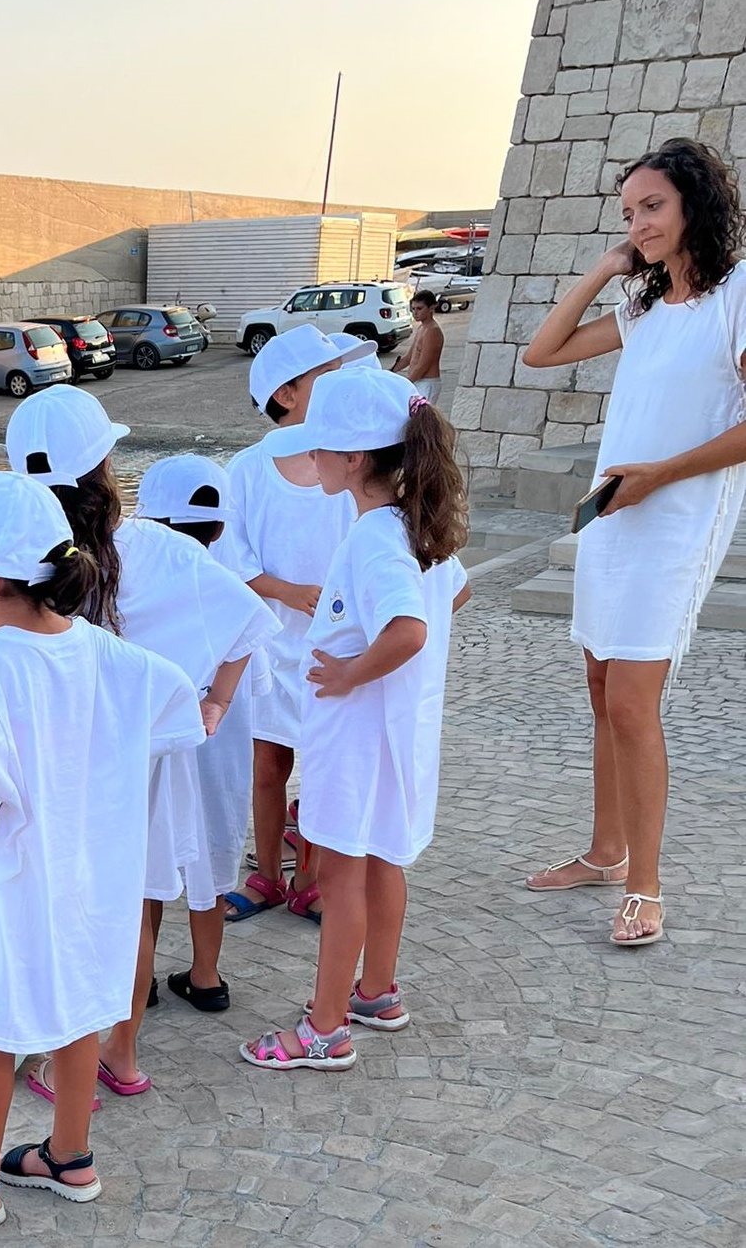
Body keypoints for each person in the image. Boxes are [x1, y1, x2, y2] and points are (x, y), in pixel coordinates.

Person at [0, 386, 274, 1093]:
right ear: (106, 464)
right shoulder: (161, 551)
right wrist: (214, 706)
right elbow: (247, 621)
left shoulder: (3, 563)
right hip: (137, 765)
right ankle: (120, 1054)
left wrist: (4, 745)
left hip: (42, 776)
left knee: (53, 905)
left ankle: (55, 1047)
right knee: (132, 908)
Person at [0, 470, 203, 1227]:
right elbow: (179, 700)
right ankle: (70, 1157)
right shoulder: (102, 650)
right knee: (79, 1006)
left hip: (12, 875)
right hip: (92, 872)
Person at [521, 137, 746, 946]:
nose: (639, 224)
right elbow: (541, 352)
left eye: (652, 206)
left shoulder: (738, 295)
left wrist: (664, 475)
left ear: (696, 204)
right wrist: (606, 267)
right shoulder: (644, 308)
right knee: (598, 683)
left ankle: (645, 886)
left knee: (629, 699)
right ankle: (605, 851)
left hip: (677, 520)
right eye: (627, 213)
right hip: (614, 515)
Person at [240, 369, 470, 1070]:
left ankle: (324, 1027)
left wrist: (348, 673)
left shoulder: (373, 537)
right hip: (398, 734)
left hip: (357, 738)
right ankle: (376, 991)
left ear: (354, 459)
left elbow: (408, 630)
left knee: (341, 877)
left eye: (319, 448)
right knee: (384, 862)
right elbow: (451, 597)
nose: (309, 458)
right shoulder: (416, 523)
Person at [218, 326, 362, 927]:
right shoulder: (247, 470)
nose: (338, 386)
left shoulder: (352, 459)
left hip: (337, 642)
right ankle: (268, 875)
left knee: (325, 763)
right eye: (324, 377)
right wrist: (288, 592)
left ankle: (311, 877)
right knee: (269, 761)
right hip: (269, 640)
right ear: (285, 394)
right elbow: (231, 558)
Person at [133, 455, 281, 1013]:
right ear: (220, 530)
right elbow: (258, 674)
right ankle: (206, 975)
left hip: (150, 751)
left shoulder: (124, 587)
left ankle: (139, 981)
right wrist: (217, 697)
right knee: (213, 861)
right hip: (217, 754)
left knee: (146, 861)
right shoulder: (225, 591)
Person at [392, 289, 444, 403]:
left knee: (421, 414)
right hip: (417, 381)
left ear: (431, 308)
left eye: (419, 308)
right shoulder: (422, 328)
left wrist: (406, 384)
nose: (415, 313)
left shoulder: (433, 331)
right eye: (413, 309)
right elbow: (408, 358)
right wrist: (389, 372)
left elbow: (423, 365)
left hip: (427, 383)